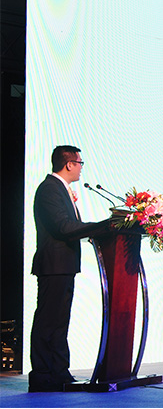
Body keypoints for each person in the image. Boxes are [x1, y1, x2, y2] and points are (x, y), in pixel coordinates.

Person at [29, 146, 113, 392]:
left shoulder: (61, 189)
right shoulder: (49, 189)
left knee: (59, 322)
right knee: (48, 321)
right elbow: (63, 227)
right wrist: (102, 226)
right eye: (80, 163)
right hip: (53, 265)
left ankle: (59, 373)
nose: (81, 168)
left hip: (64, 265)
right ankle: (43, 375)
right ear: (68, 164)